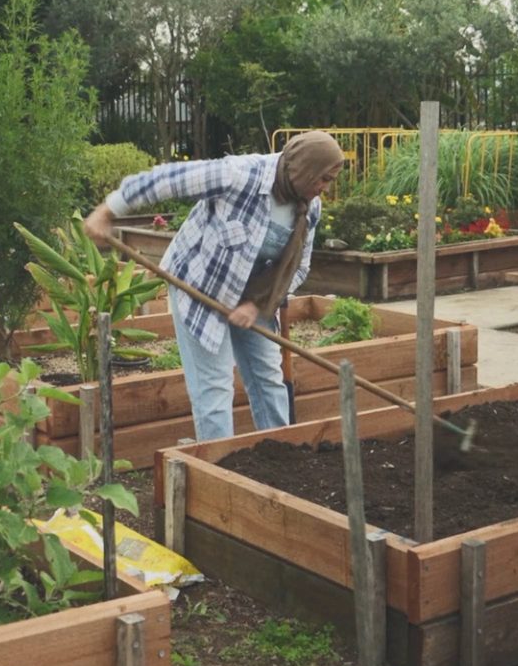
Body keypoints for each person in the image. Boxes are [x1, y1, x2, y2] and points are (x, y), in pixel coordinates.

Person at [82, 133, 346, 442]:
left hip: (257, 297)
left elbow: (298, 268)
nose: (324, 187)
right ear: (303, 170)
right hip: (200, 287)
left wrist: (256, 305)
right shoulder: (238, 175)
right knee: (215, 385)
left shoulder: (308, 208)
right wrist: (107, 210)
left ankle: (281, 455)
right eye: (323, 178)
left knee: (269, 379)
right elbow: (168, 179)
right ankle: (219, 468)